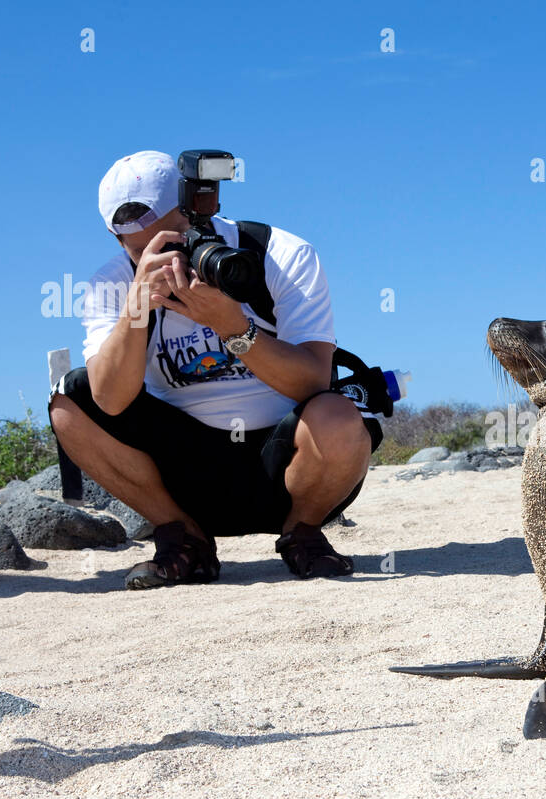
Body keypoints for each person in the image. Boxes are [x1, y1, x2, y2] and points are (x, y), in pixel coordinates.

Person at [49, 150, 380, 589]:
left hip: (286, 462)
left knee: (337, 413)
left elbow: (314, 381)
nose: (167, 261)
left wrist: (231, 326)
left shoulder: (279, 255)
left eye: (173, 240)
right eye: (143, 250)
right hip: (187, 471)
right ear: (119, 243)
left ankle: (303, 534)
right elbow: (109, 400)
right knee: (70, 401)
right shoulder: (111, 284)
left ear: (200, 211)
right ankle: (184, 539)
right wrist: (136, 307)